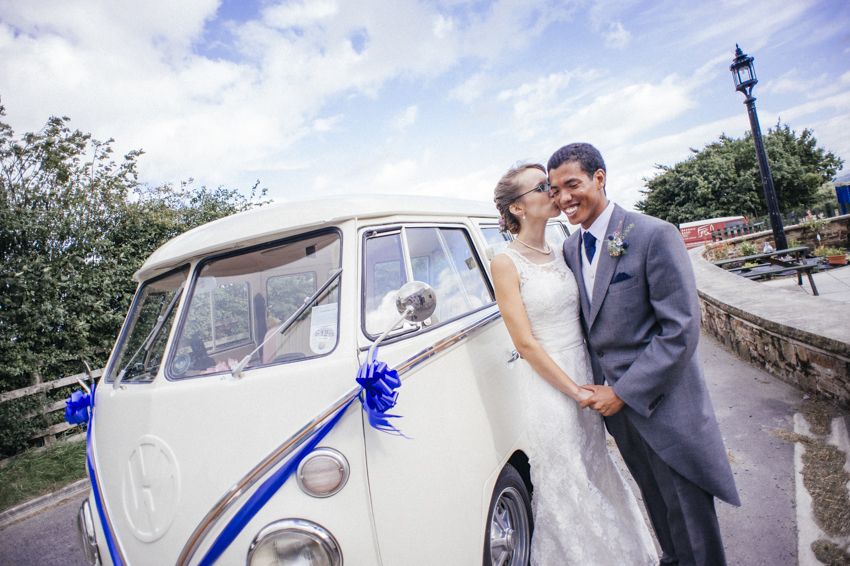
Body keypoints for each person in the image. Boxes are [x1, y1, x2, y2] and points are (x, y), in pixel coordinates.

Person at [548, 143, 740, 566]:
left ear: (600, 178)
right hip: (620, 418)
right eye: (554, 189)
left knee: (692, 532)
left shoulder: (654, 234)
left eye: (572, 185)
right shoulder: (570, 248)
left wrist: (623, 391)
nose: (563, 199)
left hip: (664, 408)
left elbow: (681, 329)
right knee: (663, 521)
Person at [491, 163, 658, 566]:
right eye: (543, 186)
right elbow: (526, 344)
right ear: (518, 207)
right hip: (552, 388)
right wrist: (576, 391)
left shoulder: (563, 249)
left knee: (596, 467)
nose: (555, 192)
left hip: (586, 374)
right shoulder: (506, 263)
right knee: (568, 481)